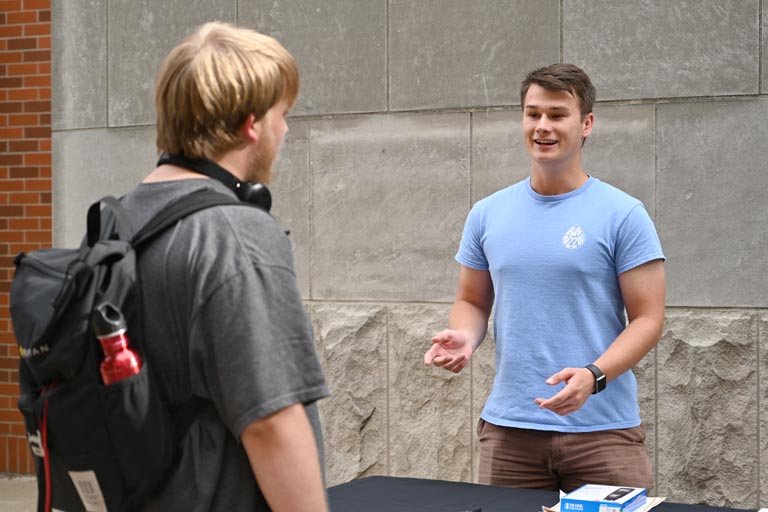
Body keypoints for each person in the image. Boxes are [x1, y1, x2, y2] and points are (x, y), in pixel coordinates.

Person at [424, 63, 665, 492]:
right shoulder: (488, 213)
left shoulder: (623, 214)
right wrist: (464, 336)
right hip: (510, 432)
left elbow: (648, 319)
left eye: (557, 114)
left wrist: (594, 376)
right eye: (533, 114)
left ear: (586, 123)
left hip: (603, 433)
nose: (542, 127)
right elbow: (473, 302)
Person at [120, 22, 329, 511]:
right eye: (283, 114)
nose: (285, 130)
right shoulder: (234, 235)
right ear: (250, 124)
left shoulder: (118, 221)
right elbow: (271, 421)